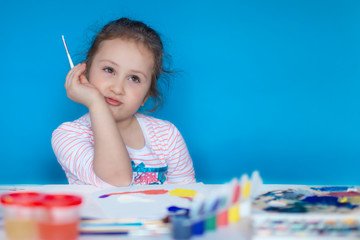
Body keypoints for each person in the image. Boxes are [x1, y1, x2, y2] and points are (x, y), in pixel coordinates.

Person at [52, 18, 195, 187]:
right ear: (85, 73)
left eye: (134, 78)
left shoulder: (167, 137)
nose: (118, 88)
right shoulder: (69, 135)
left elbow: (187, 197)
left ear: (146, 96)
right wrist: (96, 103)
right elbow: (119, 181)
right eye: (109, 70)